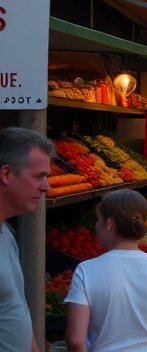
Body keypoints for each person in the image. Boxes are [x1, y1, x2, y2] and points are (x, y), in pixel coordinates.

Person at [65, 189, 147, 352]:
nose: (95, 225)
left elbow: (75, 341)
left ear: (109, 224)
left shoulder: (86, 270)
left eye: (98, 220)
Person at [0, 127, 55, 352]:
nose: (47, 187)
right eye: (38, 176)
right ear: (6, 174)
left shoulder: (6, 232)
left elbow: (15, 309)